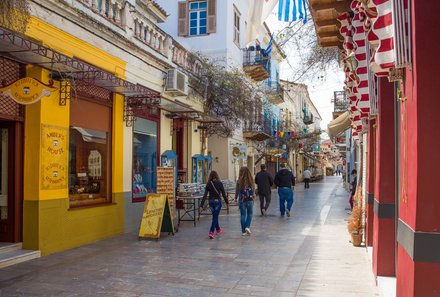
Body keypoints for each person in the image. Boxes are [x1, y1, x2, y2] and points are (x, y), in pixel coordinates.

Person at [201, 171, 229, 239]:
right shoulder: (220, 183)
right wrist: (227, 202)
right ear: (217, 176)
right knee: (215, 217)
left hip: (211, 202)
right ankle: (211, 232)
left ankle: (218, 229)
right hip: (217, 202)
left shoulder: (208, 184)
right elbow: (224, 194)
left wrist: (201, 204)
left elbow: (205, 195)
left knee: (214, 216)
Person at [235, 167, 255, 236]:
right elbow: (254, 189)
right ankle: (247, 227)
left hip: (242, 199)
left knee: (243, 215)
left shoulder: (239, 180)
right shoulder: (251, 180)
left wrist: (235, 198)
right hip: (250, 199)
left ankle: (243, 231)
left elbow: (237, 190)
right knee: (250, 214)